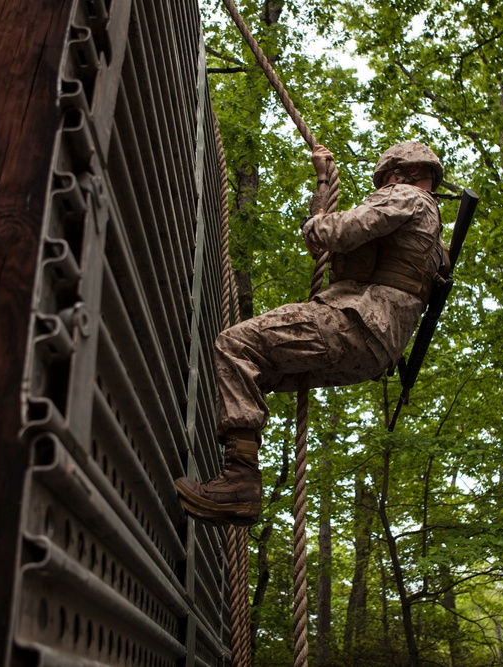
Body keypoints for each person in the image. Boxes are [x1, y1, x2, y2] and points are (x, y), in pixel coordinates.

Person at [175, 141, 446, 525]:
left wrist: (316, 222)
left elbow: (341, 230)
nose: (384, 183)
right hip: (371, 351)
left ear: (401, 173)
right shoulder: (436, 241)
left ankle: (240, 482)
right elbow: (327, 244)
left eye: (386, 176)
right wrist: (322, 179)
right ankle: (238, 473)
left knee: (237, 345)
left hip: (355, 321)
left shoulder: (407, 197)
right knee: (255, 373)